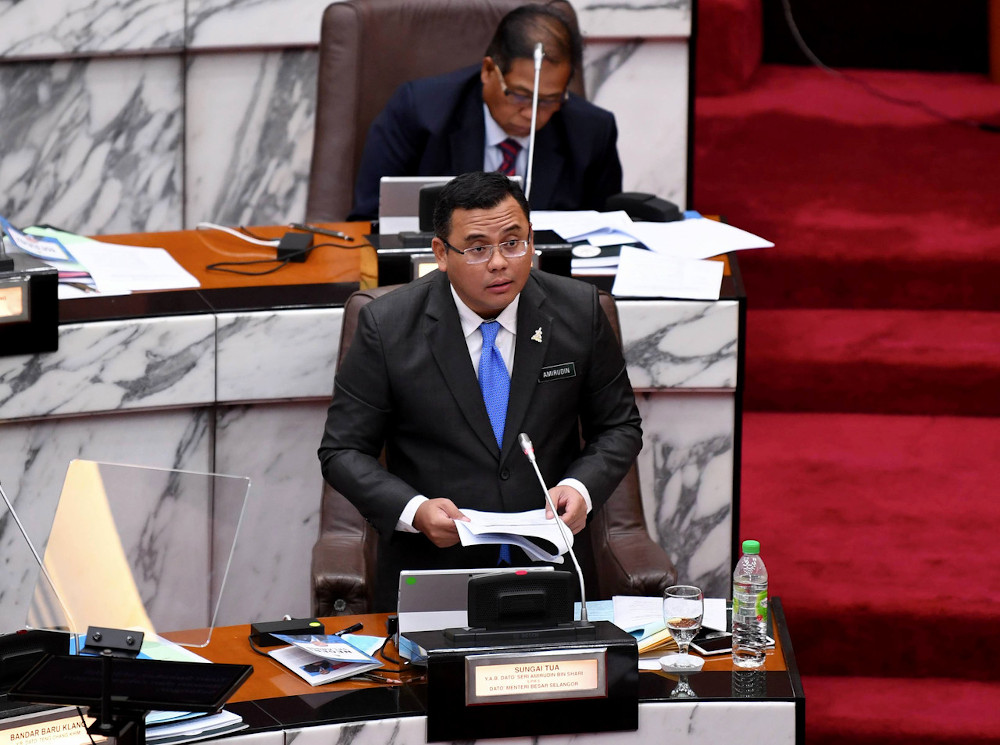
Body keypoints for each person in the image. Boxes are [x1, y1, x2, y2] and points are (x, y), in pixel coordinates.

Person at [319, 171, 642, 611]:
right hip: (435, 567)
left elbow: (619, 425)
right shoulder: (388, 325)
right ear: (441, 253)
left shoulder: (579, 311)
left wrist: (580, 488)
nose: (499, 262)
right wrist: (414, 510)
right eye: (476, 248)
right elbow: (342, 451)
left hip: (552, 565)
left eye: (513, 242)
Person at [348, 3, 623, 221]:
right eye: (520, 95)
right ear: (489, 71)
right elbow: (370, 219)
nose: (531, 114)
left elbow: (606, 232)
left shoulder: (592, 130)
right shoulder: (419, 111)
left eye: (550, 100)